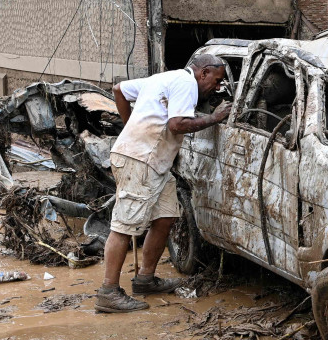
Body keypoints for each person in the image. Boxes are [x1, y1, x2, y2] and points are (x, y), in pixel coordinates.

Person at [97, 55, 232, 313]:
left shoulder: (164, 78)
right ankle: (108, 292)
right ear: (203, 73)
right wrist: (215, 118)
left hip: (153, 162)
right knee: (124, 226)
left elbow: (119, 90)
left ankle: (145, 279)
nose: (217, 88)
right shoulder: (186, 84)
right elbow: (177, 124)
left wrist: (130, 125)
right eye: (216, 81)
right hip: (141, 161)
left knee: (166, 217)